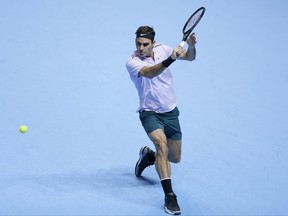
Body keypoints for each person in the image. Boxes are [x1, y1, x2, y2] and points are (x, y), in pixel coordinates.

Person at [126, 26, 197, 215]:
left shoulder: (164, 49)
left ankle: (148, 156)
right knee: (162, 147)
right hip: (149, 113)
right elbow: (150, 72)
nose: (141, 48)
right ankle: (170, 197)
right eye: (138, 44)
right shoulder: (132, 62)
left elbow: (190, 58)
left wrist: (190, 46)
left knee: (174, 157)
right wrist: (170, 59)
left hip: (171, 113)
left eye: (145, 44)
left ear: (153, 43)